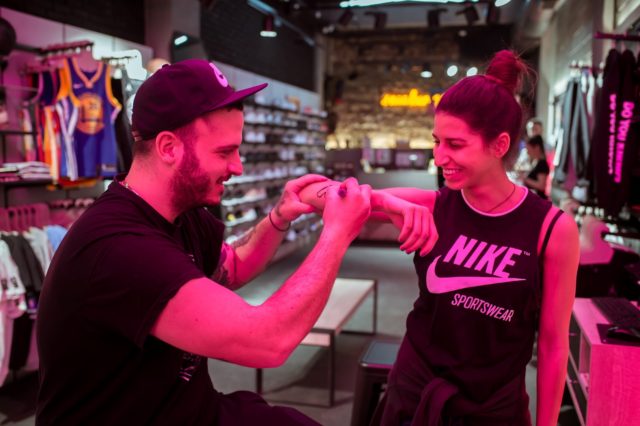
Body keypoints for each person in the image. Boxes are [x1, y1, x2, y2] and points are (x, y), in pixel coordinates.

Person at [35, 59, 432, 425]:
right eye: (225, 152)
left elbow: (232, 265)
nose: (238, 166)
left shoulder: (181, 213)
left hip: (189, 411)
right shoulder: (118, 248)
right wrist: (337, 233)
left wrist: (279, 217)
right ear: (169, 148)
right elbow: (268, 341)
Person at [365, 51, 579, 425]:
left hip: (492, 410)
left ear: (499, 145)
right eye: (437, 141)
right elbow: (321, 196)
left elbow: (552, 344)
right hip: (415, 398)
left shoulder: (552, 229)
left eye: (455, 144)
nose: (439, 157)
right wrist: (386, 201)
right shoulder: (434, 204)